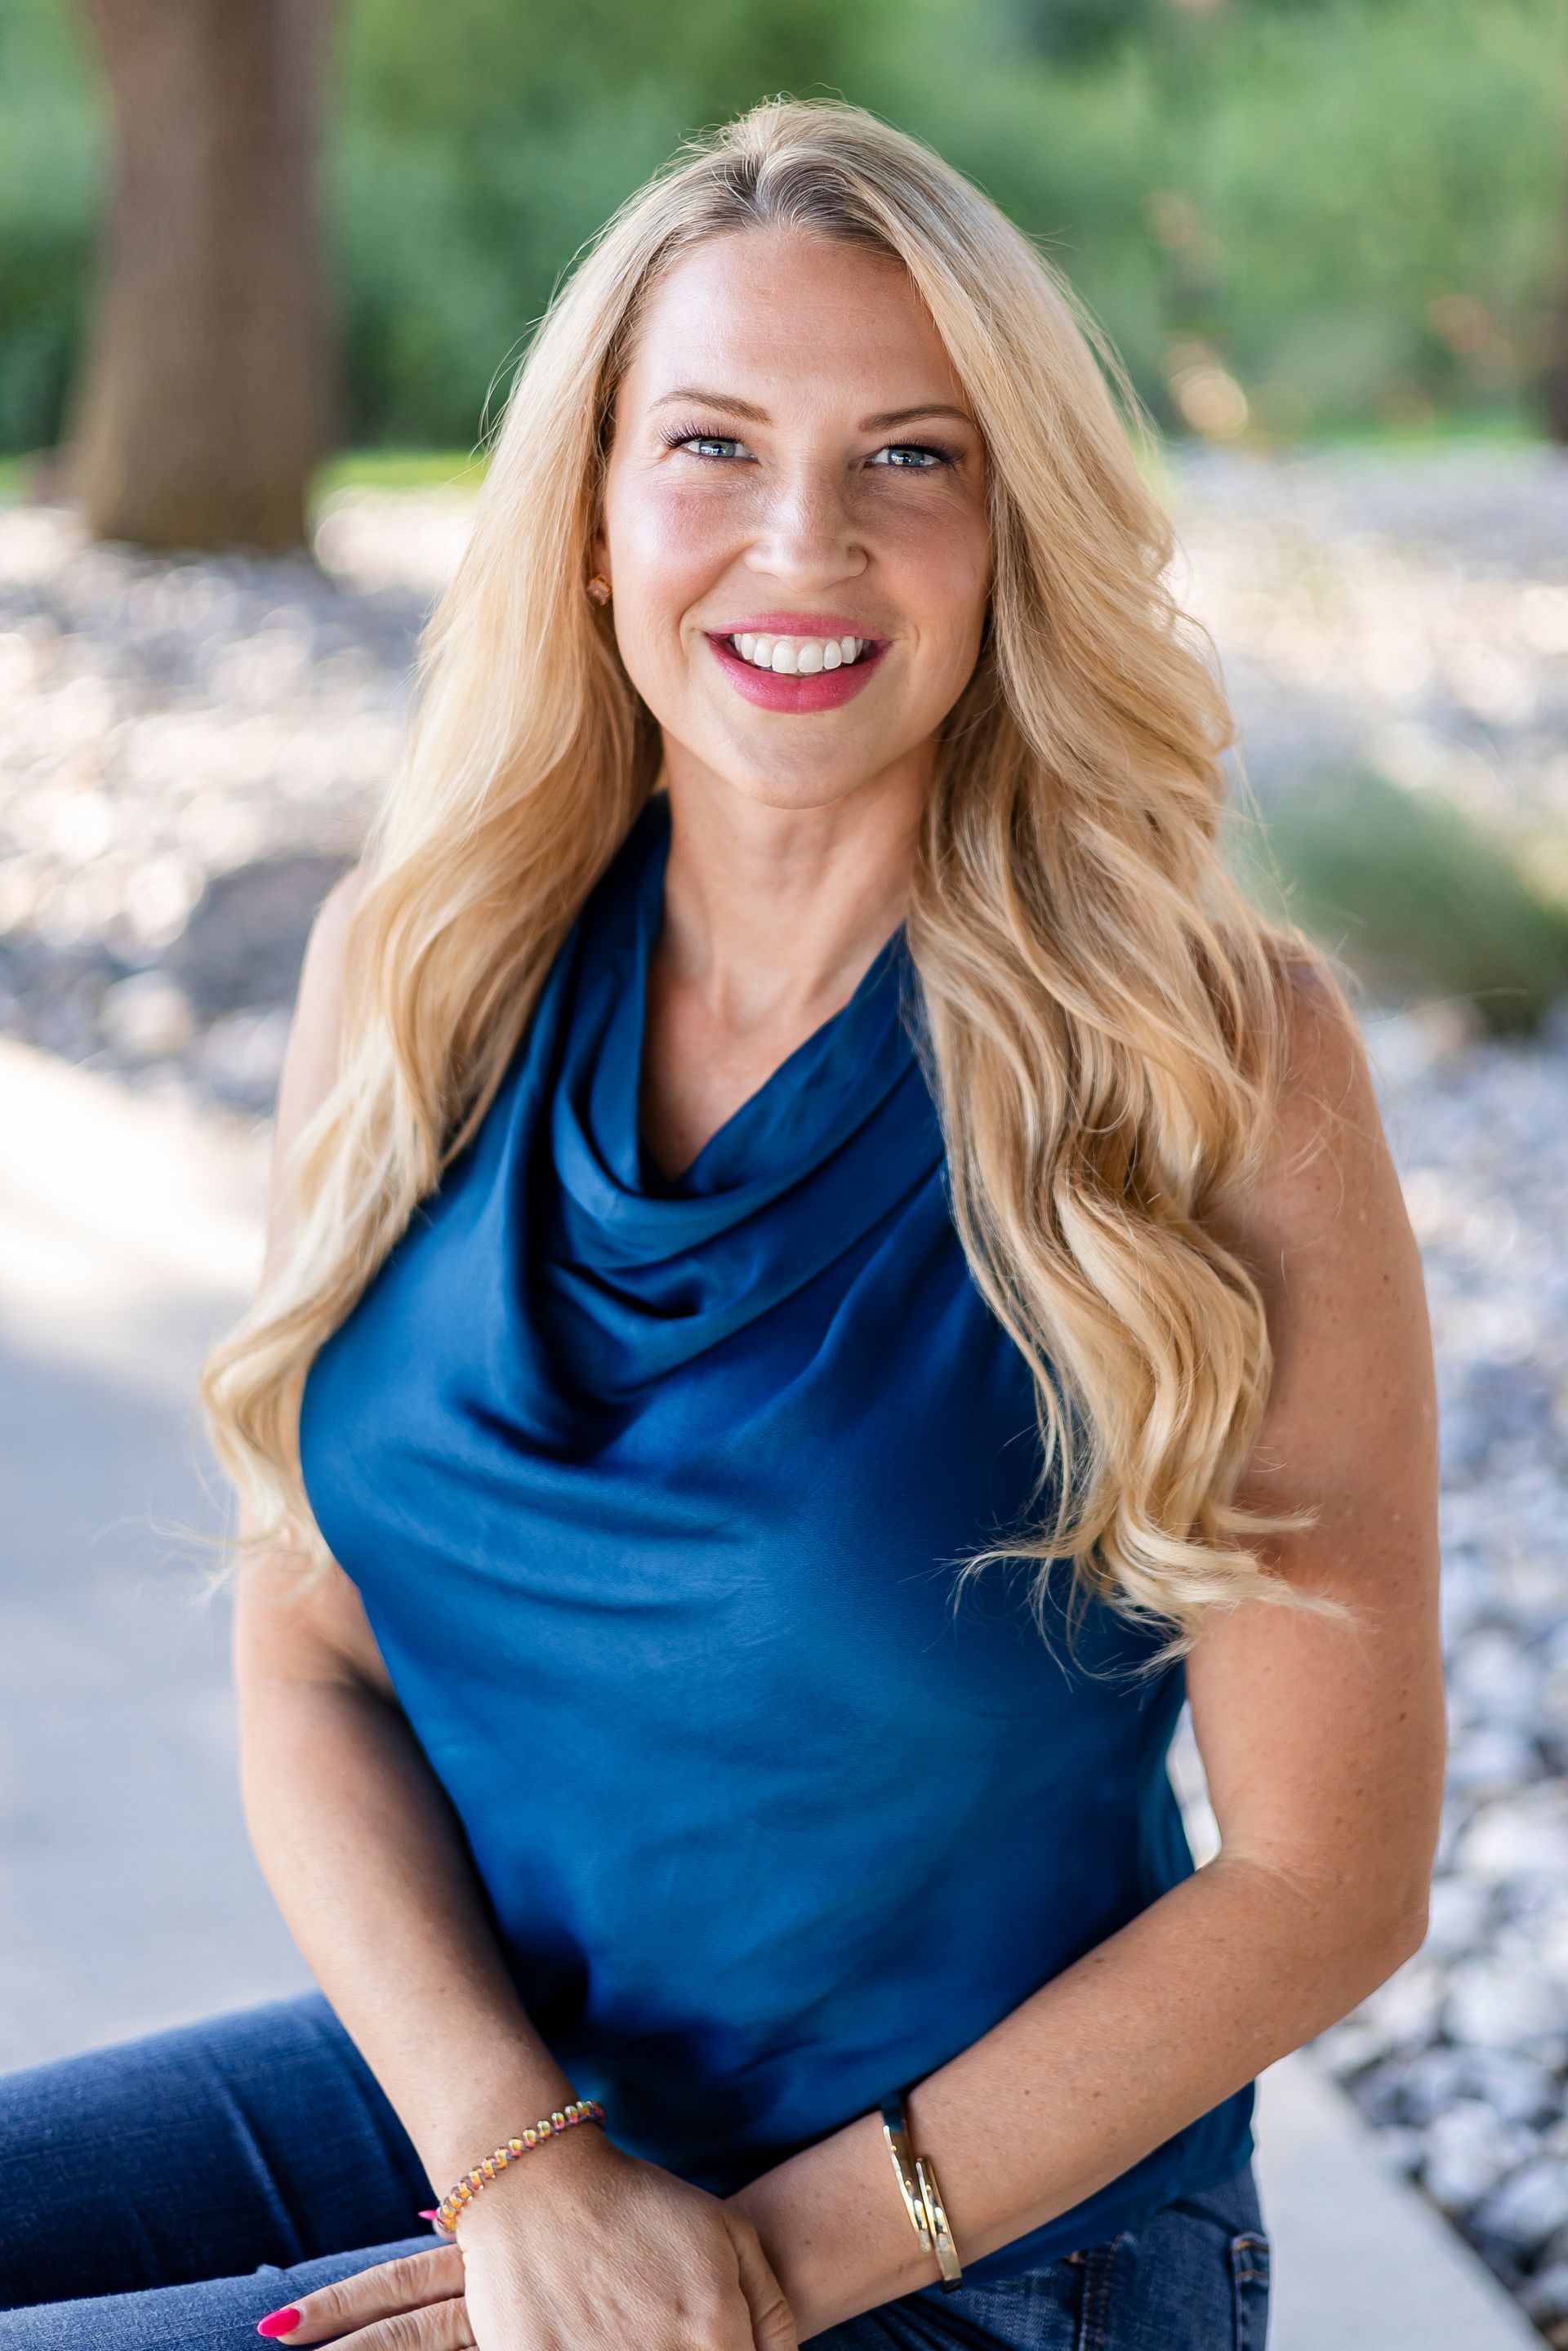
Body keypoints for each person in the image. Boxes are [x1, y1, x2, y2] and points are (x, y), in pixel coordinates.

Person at [0, 98, 1445, 2351]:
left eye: (911, 458)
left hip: (996, 2233)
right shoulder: (416, 971)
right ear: (588, 516)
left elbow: (1324, 1878)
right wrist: (523, 2167)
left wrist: (725, 2275)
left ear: (1014, 531)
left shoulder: (1205, 1058)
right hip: (521, 2107)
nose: (803, 542)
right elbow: (309, 1657)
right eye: (709, 446)